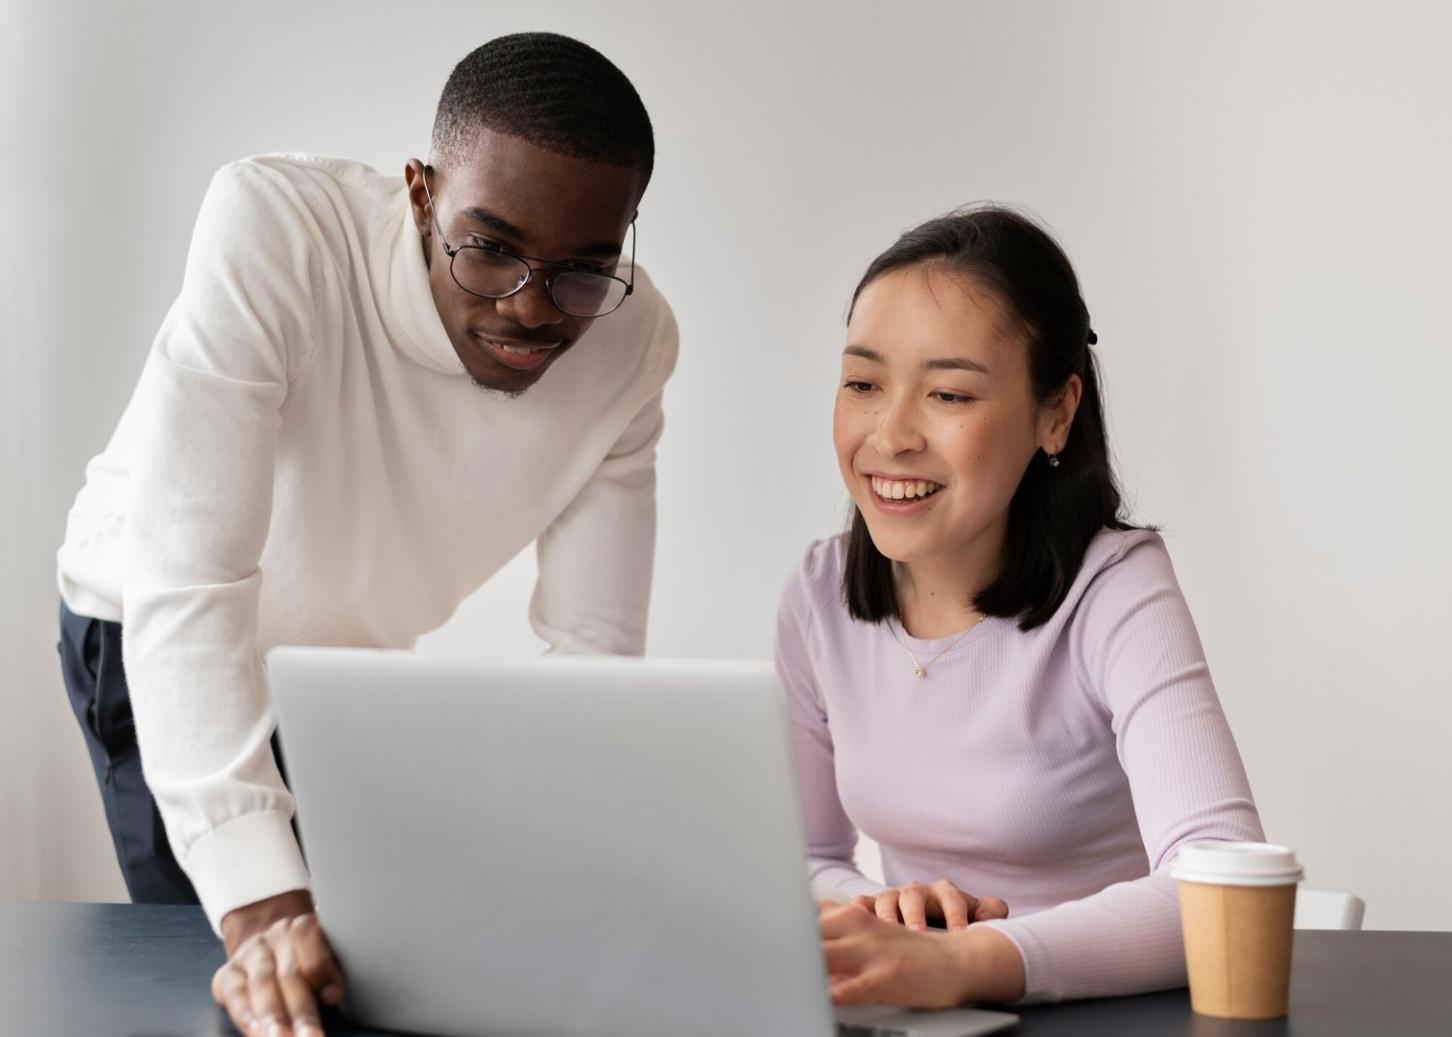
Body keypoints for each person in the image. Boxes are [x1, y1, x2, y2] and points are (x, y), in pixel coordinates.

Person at [55, 32, 676, 1036]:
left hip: (335, 664)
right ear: (422, 191)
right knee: (260, 987)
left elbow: (593, 655)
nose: (530, 308)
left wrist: (578, 890)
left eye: (582, 272)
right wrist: (261, 908)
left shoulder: (636, 347)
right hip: (145, 625)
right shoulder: (275, 227)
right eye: (491, 247)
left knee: (374, 983)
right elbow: (189, 568)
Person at [776, 206, 1264, 1007]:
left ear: (1056, 413)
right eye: (862, 383)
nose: (890, 434)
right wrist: (882, 916)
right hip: (919, 1019)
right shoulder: (818, 595)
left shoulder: (1115, 587)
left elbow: (1222, 880)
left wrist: (971, 959)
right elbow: (802, 858)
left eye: (948, 394)